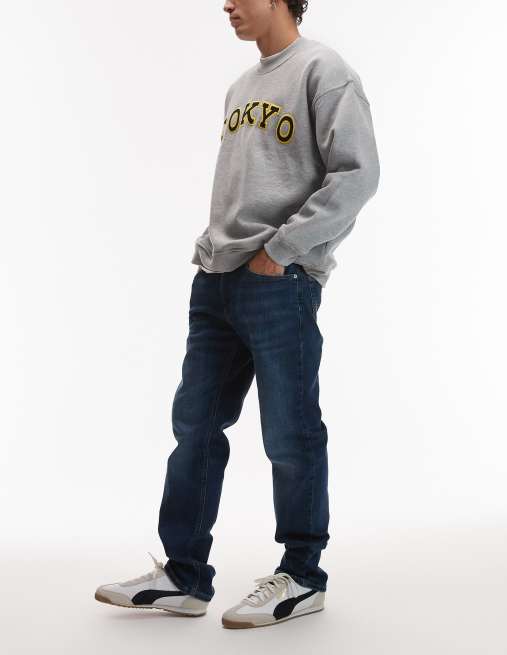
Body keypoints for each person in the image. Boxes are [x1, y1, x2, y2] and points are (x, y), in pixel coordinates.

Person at [95, 0, 380, 629]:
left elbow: (357, 175)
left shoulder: (324, 71)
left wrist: (282, 251)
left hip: (280, 283)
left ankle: (302, 576)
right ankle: (184, 576)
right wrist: (212, 252)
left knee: (290, 433)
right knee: (195, 426)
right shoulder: (242, 86)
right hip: (217, 281)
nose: (226, 4)